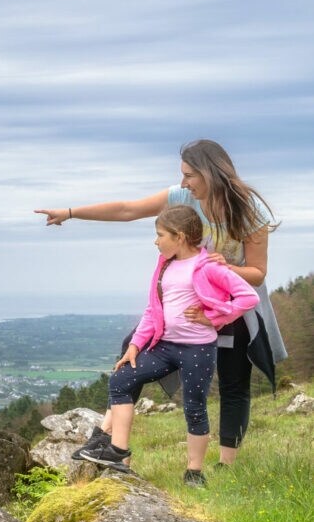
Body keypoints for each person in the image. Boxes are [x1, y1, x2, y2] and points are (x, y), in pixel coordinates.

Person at [35, 139, 287, 466]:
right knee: (133, 349)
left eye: (190, 175)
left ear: (211, 173)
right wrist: (70, 213)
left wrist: (224, 268)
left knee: (233, 382)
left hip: (231, 309)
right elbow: (128, 210)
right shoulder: (182, 198)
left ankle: (227, 467)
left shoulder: (249, 210)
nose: (184, 183)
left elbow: (257, 274)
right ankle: (107, 439)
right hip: (182, 307)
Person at [78, 206, 259, 485]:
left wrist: (212, 317)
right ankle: (118, 452)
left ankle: (194, 472)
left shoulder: (208, 266)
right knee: (121, 379)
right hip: (164, 346)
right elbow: (153, 310)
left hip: (198, 348)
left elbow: (248, 298)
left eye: (160, 235)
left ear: (180, 236)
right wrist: (136, 344)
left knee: (194, 406)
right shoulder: (164, 265)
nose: (156, 241)